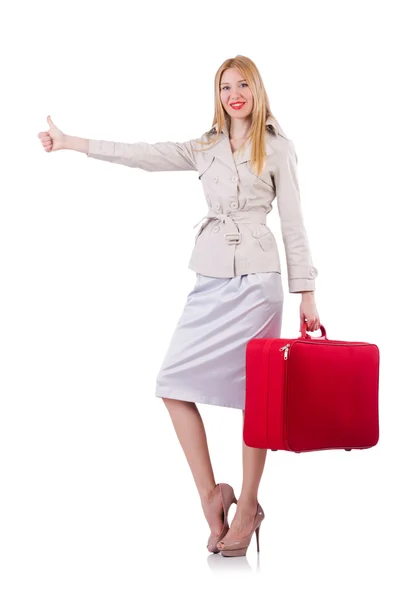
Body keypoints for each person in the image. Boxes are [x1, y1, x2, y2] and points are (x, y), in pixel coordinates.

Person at [37, 54, 320, 558]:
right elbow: (141, 154)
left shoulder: (278, 148)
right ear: (218, 95)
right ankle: (212, 495)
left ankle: (249, 505)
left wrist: (308, 294)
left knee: (258, 394)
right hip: (210, 276)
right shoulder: (204, 147)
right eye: (225, 86)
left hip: (259, 282)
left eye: (243, 85)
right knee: (172, 381)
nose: (234, 94)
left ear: (257, 91)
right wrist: (72, 143)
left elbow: (295, 225)